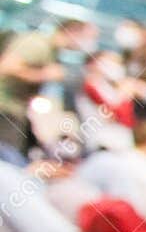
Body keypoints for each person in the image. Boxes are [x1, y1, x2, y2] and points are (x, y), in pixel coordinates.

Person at [0, 19, 98, 157]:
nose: (90, 43)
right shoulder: (37, 44)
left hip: (15, 109)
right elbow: (6, 67)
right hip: (5, 107)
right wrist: (44, 74)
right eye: (89, 37)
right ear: (72, 32)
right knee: (6, 156)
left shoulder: (52, 51)